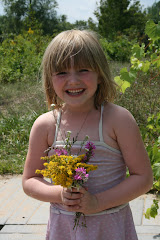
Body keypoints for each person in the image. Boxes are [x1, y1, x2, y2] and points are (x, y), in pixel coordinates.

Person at [22, 29, 153, 240]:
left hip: (109, 227)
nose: (73, 81)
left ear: (100, 74)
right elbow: (29, 180)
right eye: (62, 73)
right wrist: (59, 194)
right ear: (50, 78)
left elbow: (144, 178)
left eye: (83, 70)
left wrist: (98, 202)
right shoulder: (45, 125)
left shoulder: (118, 119)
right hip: (64, 228)